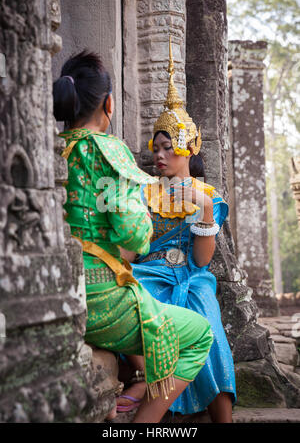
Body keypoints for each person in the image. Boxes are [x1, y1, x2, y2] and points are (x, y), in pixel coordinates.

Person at [53, 50, 214, 423]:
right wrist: (141, 212)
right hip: (97, 294)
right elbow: (135, 238)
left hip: (56, 287)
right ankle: (145, 425)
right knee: (201, 333)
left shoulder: (56, 148)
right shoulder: (107, 152)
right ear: (109, 104)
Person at [118, 38, 236, 423]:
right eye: (156, 146)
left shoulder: (207, 195)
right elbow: (131, 252)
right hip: (148, 272)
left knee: (209, 323)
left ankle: (223, 416)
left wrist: (201, 207)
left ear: (188, 148)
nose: (159, 154)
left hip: (190, 276)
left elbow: (202, 260)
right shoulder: (142, 192)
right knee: (134, 301)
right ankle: (148, 382)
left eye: (168, 147)